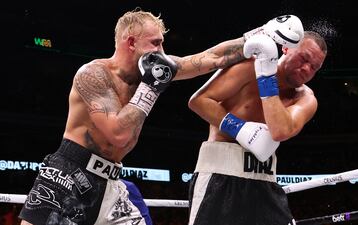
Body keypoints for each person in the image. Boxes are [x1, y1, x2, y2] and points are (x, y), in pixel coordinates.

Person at [18, 8, 301, 225]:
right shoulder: (93, 75)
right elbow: (117, 133)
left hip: (112, 181)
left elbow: (209, 58)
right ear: (131, 42)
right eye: (155, 44)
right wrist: (151, 86)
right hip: (69, 173)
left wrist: (257, 36)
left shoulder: (156, 68)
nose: (162, 52)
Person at [187, 30, 327, 225]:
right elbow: (198, 101)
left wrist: (267, 79)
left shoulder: (306, 99)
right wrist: (240, 129)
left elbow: (280, 131)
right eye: (304, 58)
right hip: (220, 177)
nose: (306, 69)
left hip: (265, 182)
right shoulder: (248, 67)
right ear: (286, 47)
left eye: (314, 67)